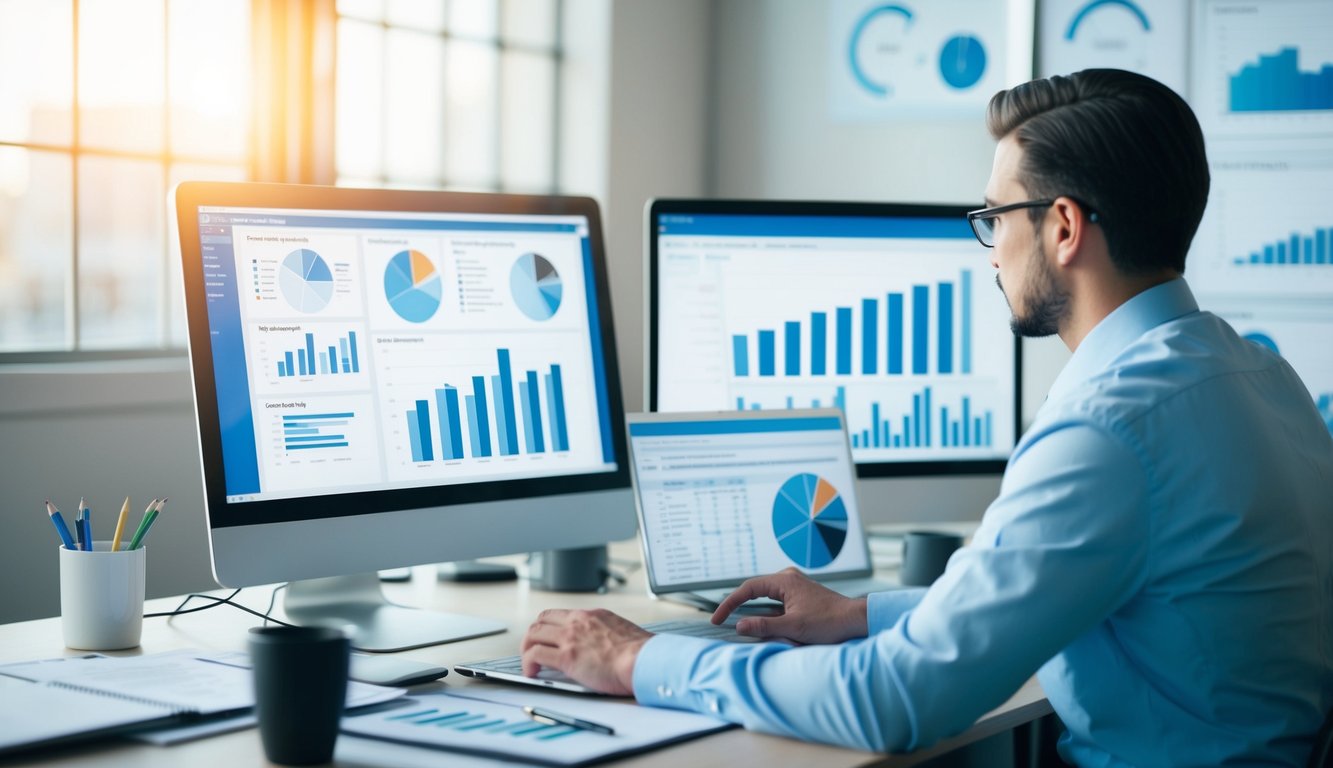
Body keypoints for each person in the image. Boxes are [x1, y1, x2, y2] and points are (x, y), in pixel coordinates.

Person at [519, 69, 1333, 765]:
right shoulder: (1254, 374)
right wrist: (860, 612)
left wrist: (639, 658)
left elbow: (894, 699)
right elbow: (1048, 591)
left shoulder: (1108, 428)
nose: (987, 250)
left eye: (993, 219)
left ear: (1061, 227)